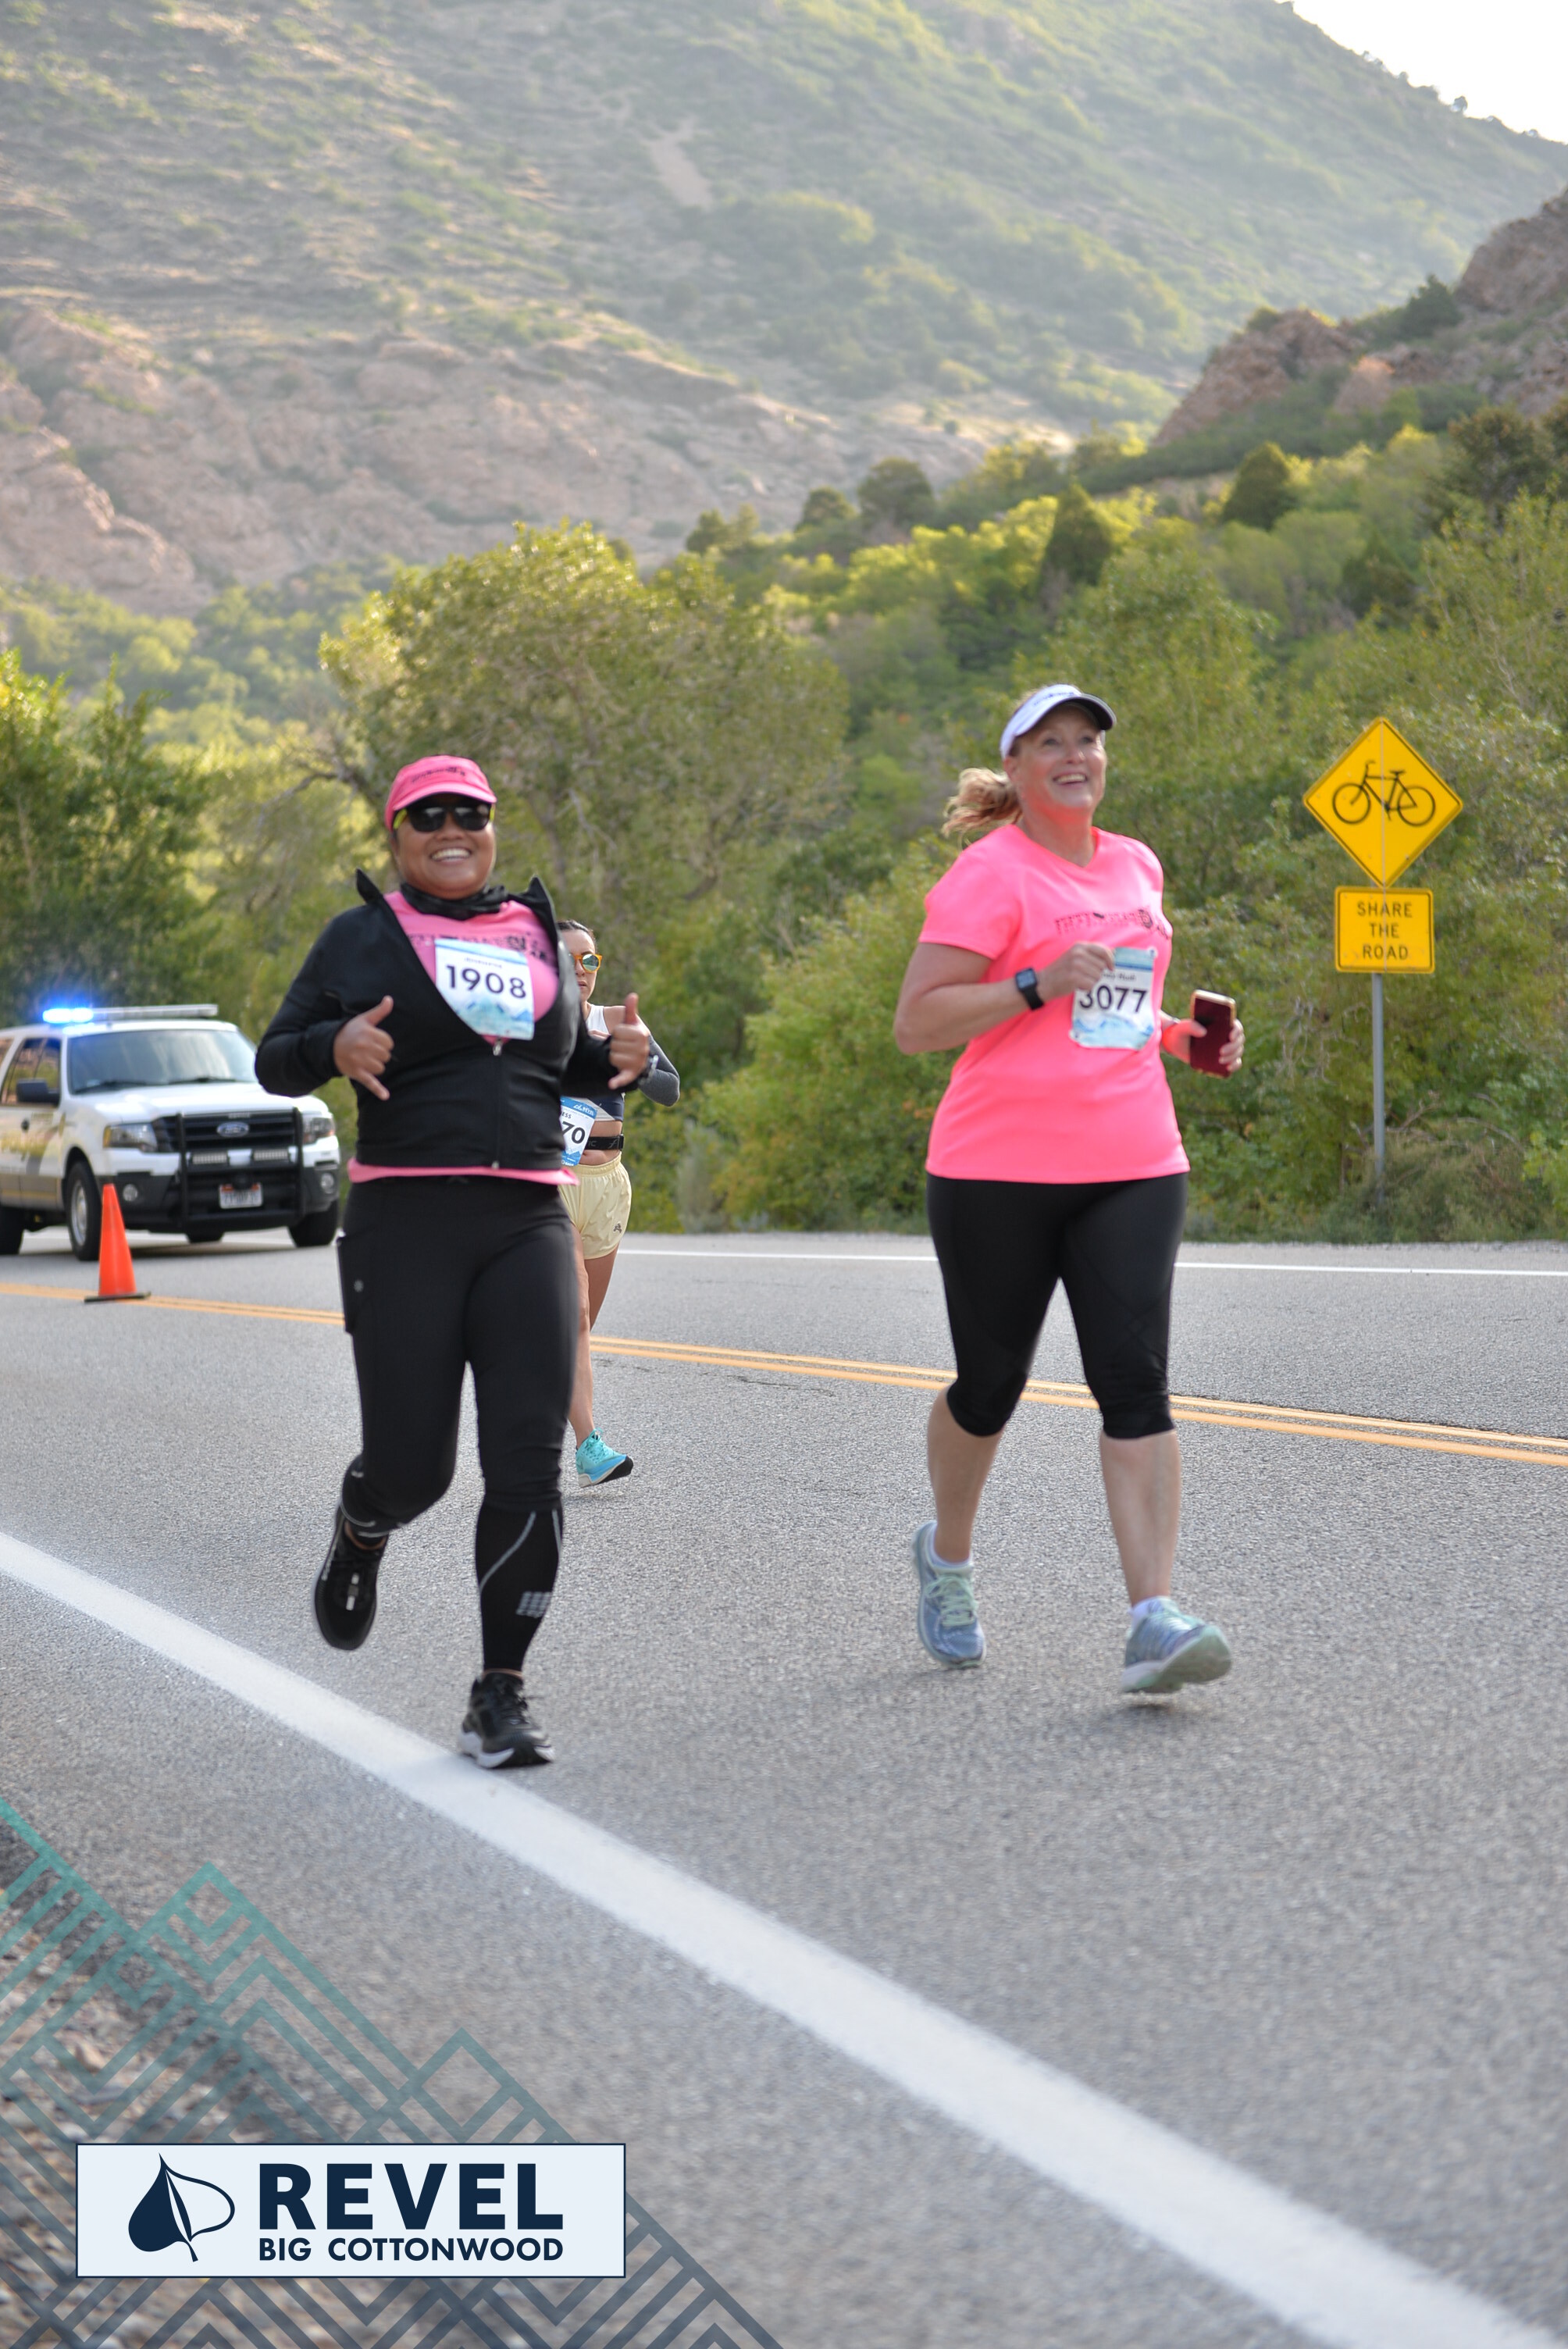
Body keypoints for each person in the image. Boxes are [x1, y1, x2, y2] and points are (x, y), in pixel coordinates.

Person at [255, 755, 650, 1767]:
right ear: (396, 834)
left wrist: (620, 1061)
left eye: (469, 812)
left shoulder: (532, 934)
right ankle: (363, 1522)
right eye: (427, 814)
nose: (451, 829)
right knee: (413, 1470)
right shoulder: (361, 937)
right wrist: (334, 1045)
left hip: (527, 1222)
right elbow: (275, 1056)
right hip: (405, 1223)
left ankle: (499, 1693)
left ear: (491, 827)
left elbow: (565, 1060)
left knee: (527, 1463)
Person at [892, 683, 1244, 1695]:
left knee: (1135, 1382)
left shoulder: (1136, 863)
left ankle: (1153, 1618)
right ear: (1015, 767)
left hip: (1134, 1159)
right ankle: (947, 1558)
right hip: (995, 1169)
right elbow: (919, 1022)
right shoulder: (988, 874)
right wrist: (1035, 982)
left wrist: (1182, 1038)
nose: (1074, 755)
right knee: (990, 1386)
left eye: (1087, 739)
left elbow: (1122, 1005)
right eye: (1050, 742)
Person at [554, 918, 680, 1486]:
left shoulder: (615, 1022)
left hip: (608, 1184)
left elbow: (670, 1089)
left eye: (591, 960)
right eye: (569, 959)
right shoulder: (529, 1029)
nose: (582, 970)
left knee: (578, 1330)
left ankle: (541, 1403)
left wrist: (637, 1063)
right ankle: (590, 1447)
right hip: (552, 1181)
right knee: (574, 1313)